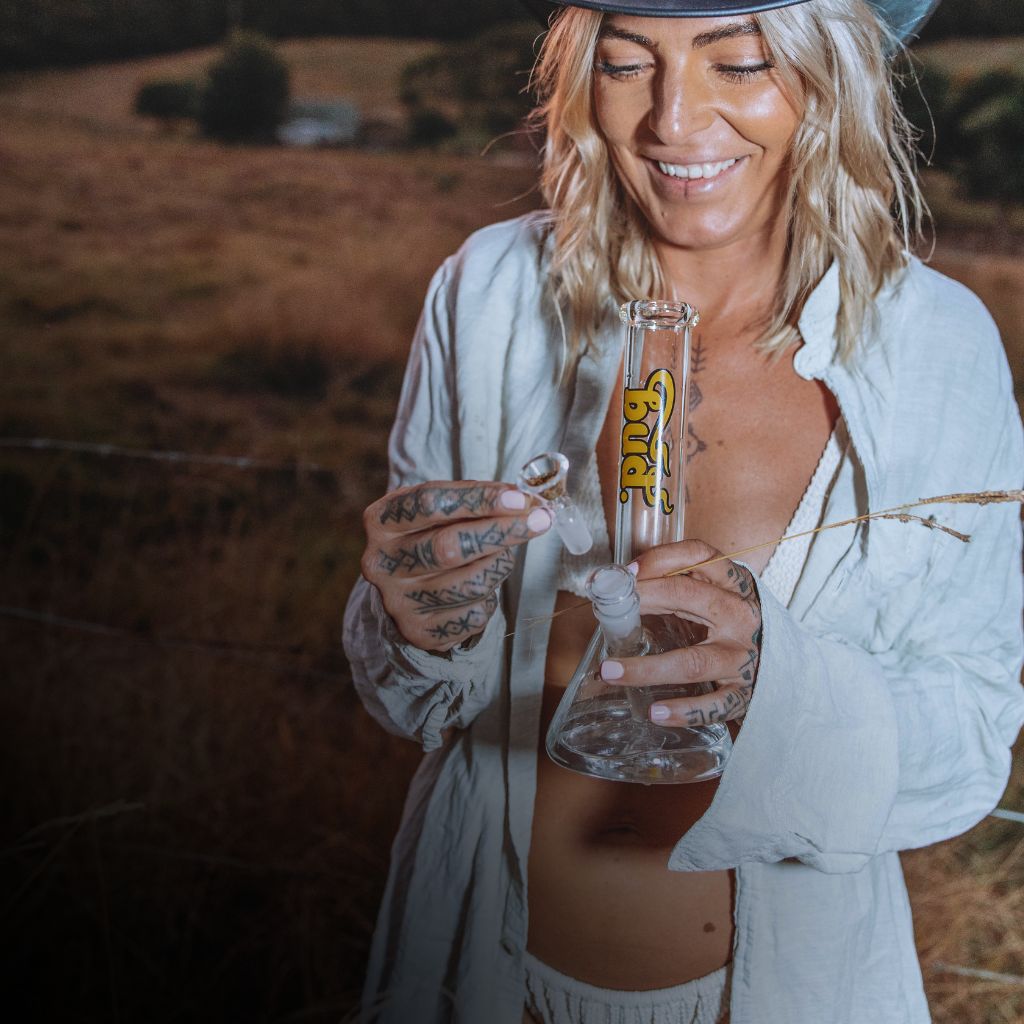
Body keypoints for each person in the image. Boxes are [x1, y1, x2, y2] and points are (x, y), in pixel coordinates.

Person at [343, 1, 1024, 1021]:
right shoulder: (484, 294)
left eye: (739, 64)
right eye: (625, 65)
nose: (672, 118)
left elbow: (969, 742)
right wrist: (414, 625)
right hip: (477, 972)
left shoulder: (934, 349)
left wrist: (773, 682)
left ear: (824, 82)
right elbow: (418, 701)